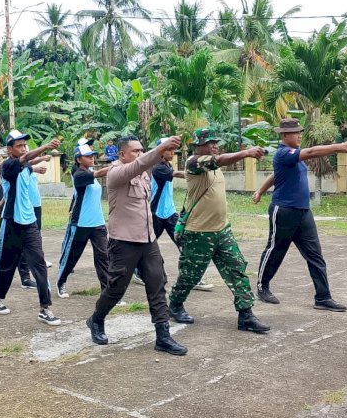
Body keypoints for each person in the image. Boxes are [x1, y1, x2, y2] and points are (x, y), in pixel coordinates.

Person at [86, 135, 188, 356]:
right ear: (122, 154)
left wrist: (164, 153)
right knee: (116, 288)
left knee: (157, 284)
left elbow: (147, 165)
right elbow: (142, 164)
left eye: (142, 150)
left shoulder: (143, 173)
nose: (140, 155)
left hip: (148, 239)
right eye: (135, 151)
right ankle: (96, 319)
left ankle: (163, 336)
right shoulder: (116, 173)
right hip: (124, 242)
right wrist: (161, 148)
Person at [167, 128, 269, 333]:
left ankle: (246, 315)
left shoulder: (213, 164)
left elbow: (219, 161)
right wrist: (246, 153)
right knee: (190, 275)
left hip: (222, 230)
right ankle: (175, 305)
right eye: (209, 142)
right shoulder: (194, 163)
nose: (214, 145)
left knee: (237, 268)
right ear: (197, 145)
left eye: (215, 142)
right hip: (198, 232)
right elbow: (220, 160)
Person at [253, 118, 347, 312]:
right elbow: (311, 152)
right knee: (275, 250)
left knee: (315, 255)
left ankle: (323, 297)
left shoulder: (293, 158)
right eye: (295, 132)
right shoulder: (284, 153)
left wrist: (259, 191)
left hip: (303, 212)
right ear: (284, 135)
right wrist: (339, 147)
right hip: (283, 211)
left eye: (300, 132)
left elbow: (276, 175)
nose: (299, 135)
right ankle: (262, 287)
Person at [0, 130, 61, 326]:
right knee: (6, 264)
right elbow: (23, 162)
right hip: (11, 223)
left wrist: (38, 162)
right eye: (19, 146)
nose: (23, 148)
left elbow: (14, 188)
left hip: (29, 224)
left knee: (40, 265)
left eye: (24, 145)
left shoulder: (26, 166)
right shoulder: (8, 165)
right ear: (9, 150)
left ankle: (45, 308)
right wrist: (45, 147)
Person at [132, 138, 213, 291]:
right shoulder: (157, 167)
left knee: (185, 244)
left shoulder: (166, 164)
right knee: (145, 246)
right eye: (169, 150)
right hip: (156, 215)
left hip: (169, 214)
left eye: (173, 150)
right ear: (161, 151)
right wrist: (197, 171)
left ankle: (193, 277)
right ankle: (138, 272)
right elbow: (177, 174)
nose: (173, 153)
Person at [56, 143, 109, 298]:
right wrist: (116, 166)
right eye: (88, 156)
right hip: (81, 223)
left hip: (98, 222)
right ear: (79, 159)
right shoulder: (79, 175)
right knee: (72, 256)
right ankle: (61, 281)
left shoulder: (90, 170)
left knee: (103, 257)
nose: (92, 158)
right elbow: (99, 174)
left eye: (92, 155)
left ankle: (107, 291)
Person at [18, 157, 53, 288]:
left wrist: (35, 168)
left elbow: (29, 163)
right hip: (26, 208)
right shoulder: (19, 168)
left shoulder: (28, 168)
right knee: (18, 245)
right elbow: (27, 164)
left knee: (35, 238)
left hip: (35, 205)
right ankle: (25, 276)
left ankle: (32, 270)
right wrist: (42, 158)